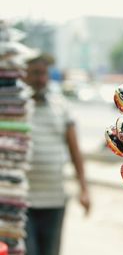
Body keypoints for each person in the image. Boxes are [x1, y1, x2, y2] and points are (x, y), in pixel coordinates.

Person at [24, 53, 91, 255]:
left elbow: (74, 151)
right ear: (24, 76)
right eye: (35, 73)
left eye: (43, 73)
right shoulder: (13, 107)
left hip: (54, 201)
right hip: (22, 202)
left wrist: (84, 189)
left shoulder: (61, 106)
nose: (40, 79)